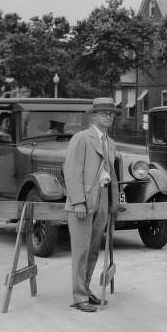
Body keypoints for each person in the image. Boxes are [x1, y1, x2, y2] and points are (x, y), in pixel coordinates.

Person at [63, 97, 119, 312]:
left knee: (94, 249)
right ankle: (79, 297)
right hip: (84, 201)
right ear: (93, 116)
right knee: (81, 250)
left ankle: (85, 290)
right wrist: (77, 201)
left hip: (103, 198)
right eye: (103, 113)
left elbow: (111, 174)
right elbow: (72, 170)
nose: (108, 116)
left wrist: (114, 202)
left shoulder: (109, 142)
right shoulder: (81, 138)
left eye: (111, 113)